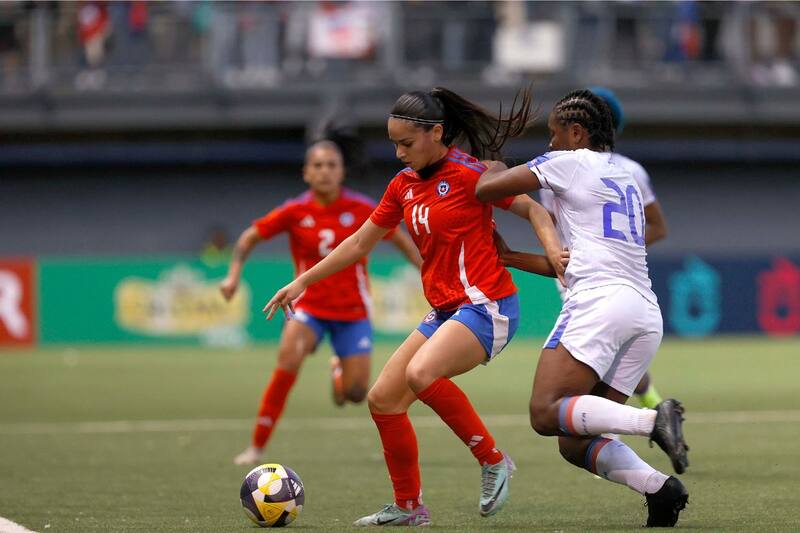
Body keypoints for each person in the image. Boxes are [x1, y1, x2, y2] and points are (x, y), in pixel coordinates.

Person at [263, 87, 566, 526]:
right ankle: (408, 507)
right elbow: (360, 242)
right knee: (383, 399)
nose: (399, 152)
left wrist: (555, 253)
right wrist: (302, 282)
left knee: (420, 374)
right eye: (393, 143)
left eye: (406, 143)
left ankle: (494, 460)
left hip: (488, 305)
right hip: (446, 310)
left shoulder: (471, 175)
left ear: (436, 133)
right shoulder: (402, 186)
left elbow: (537, 213)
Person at [475, 89, 689, 528]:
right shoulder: (624, 176)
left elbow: (485, 189)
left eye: (554, 135)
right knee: (575, 440)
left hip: (599, 303)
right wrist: (512, 257)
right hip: (643, 314)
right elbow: (572, 263)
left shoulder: (570, 162)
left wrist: (491, 163)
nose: (550, 144)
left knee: (543, 411)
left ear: (577, 132)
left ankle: (654, 420)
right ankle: (660, 490)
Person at [222, 129, 422, 466]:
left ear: (342, 171)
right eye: (318, 165)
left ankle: (338, 370)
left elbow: (399, 239)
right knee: (289, 361)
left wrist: (424, 269)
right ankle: (256, 447)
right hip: (308, 307)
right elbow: (248, 238)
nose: (325, 170)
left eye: (332, 165)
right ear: (306, 172)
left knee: (357, 394)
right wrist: (233, 275)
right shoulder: (294, 211)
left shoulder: (361, 208)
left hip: (352, 310)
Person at [534, 87, 670, 413]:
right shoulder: (630, 170)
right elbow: (551, 224)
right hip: (585, 273)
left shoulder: (562, 165)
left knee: (590, 370)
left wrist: (613, 250)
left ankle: (642, 419)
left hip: (594, 277)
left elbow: (544, 219)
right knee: (608, 357)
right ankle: (649, 408)